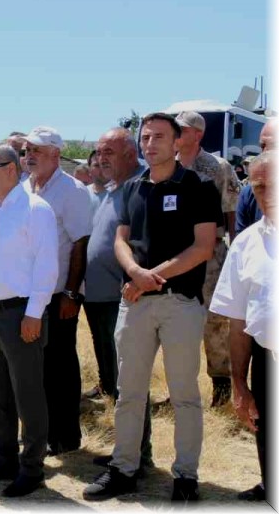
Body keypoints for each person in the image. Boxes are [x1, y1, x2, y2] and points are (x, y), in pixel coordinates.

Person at [83, 112, 219, 503]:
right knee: (129, 392)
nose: (150, 143)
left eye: (159, 136)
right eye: (145, 137)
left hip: (179, 303)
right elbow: (121, 240)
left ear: (178, 143)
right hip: (137, 302)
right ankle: (124, 469)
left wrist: (150, 276)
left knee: (183, 395)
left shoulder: (198, 186)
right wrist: (134, 272)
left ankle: (186, 476)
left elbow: (203, 247)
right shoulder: (133, 188)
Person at [0, 143, 57, 498]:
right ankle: (4, 459)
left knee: (28, 396)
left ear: (11, 168)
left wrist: (34, 313)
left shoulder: (36, 208)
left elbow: (47, 265)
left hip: (21, 315)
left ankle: (32, 468)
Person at [86, 130, 154, 470]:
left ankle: (138, 456)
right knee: (115, 380)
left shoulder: (142, 186)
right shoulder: (112, 190)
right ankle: (126, 450)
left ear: (130, 152)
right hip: (98, 300)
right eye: (98, 152)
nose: (101, 158)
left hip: (122, 300)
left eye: (109, 151)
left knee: (130, 381)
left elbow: (144, 245)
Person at [23, 126, 92, 456]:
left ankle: (66, 437)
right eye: (26, 150)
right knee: (35, 368)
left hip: (57, 294)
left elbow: (81, 243)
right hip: (28, 294)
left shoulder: (72, 190)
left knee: (59, 366)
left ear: (54, 154)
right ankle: (42, 431)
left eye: (36, 150)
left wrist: (71, 293)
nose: (29, 155)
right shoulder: (26, 187)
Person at [209, 151, 274, 503]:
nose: (266, 192)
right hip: (268, 355)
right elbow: (238, 321)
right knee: (267, 429)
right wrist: (238, 382)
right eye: (258, 185)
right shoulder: (246, 244)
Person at [175, 110, 242, 407]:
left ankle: (222, 389)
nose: (177, 133)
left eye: (182, 129)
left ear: (198, 134)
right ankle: (179, 389)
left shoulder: (218, 166)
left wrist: (234, 254)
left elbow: (231, 213)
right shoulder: (170, 166)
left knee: (215, 322)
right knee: (176, 317)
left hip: (211, 254)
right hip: (176, 254)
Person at [237, 120, 277, 235]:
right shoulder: (250, 193)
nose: (265, 151)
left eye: (274, 145)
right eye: (262, 146)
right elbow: (242, 241)